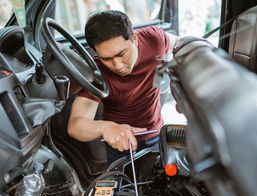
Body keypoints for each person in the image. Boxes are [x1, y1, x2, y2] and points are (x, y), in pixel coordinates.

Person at [67, 10, 178, 165]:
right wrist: (105, 128)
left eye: (121, 53)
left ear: (134, 38)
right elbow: (75, 124)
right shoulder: (97, 72)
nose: (117, 66)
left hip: (156, 132)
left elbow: (178, 44)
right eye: (106, 58)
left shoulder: (154, 39)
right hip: (118, 142)